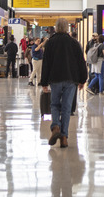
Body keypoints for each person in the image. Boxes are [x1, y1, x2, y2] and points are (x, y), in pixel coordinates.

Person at [40, 18, 88, 148]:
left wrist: (44, 81)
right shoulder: (74, 43)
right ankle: (64, 137)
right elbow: (81, 62)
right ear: (67, 28)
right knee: (66, 108)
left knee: (55, 104)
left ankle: (55, 126)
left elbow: (46, 64)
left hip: (55, 78)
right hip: (71, 79)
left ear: (55, 28)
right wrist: (83, 79)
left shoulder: (50, 43)